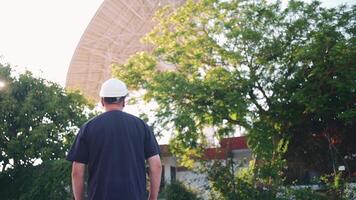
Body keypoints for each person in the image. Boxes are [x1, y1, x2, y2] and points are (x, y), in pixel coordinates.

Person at [66, 78, 162, 200]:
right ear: (123, 101)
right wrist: (152, 197)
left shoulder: (88, 128)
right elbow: (156, 165)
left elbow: (77, 171)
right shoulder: (141, 126)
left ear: (102, 101)